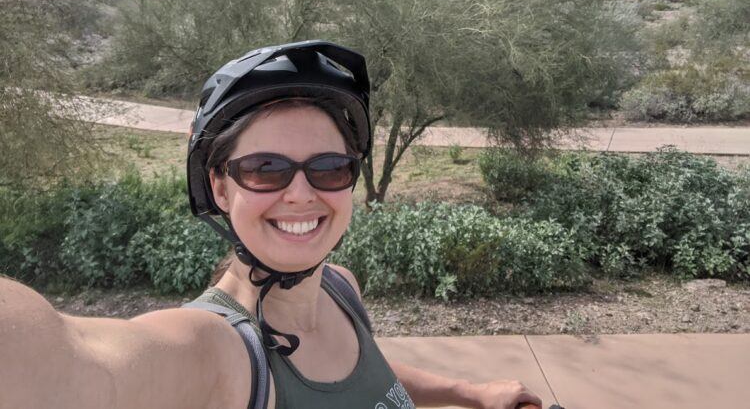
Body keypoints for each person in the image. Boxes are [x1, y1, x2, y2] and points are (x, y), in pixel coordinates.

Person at [0, 40, 544, 409]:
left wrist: (468, 392)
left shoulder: (341, 286)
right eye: (266, 169)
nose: (302, 193)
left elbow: (368, 375)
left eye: (330, 167)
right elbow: (69, 365)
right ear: (219, 186)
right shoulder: (213, 349)